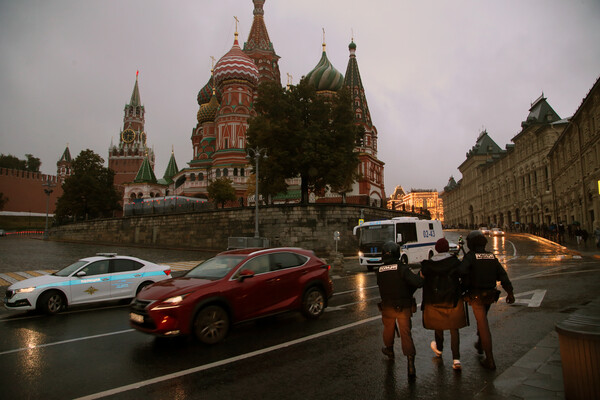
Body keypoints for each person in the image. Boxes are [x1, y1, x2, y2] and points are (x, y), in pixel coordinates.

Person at [459, 230, 515, 370]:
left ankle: (490, 359)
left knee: (483, 324)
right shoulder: (491, 256)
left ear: (471, 244)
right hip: (490, 295)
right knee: (482, 318)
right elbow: (503, 275)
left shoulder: (470, 257)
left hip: (476, 295)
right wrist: (510, 292)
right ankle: (479, 342)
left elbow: (461, 272)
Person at [376, 241, 424, 379]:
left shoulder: (379, 270)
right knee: (405, 334)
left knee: (388, 329)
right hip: (403, 307)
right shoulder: (401, 268)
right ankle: (410, 365)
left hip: (387, 307)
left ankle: (389, 351)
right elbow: (417, 283)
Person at [420, 238, 467, 371]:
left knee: (438, 325)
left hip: (434, 300)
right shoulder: (454, 262)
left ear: (436, 249)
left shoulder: (428, 264)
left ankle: (439, 349)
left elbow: (421, 279)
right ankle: (456, 359)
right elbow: (464, 275)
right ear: (447, 249)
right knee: (454, 328)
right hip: (452, 299)